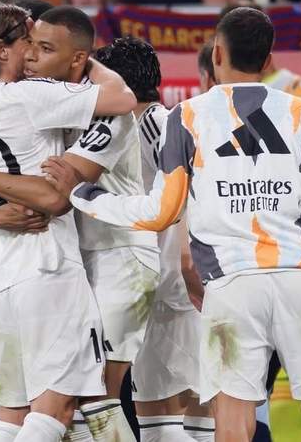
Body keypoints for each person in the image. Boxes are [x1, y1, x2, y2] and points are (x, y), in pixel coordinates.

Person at [43, 7, 301, 442]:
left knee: (233, 423)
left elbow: (161, 212)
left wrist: (87, 196)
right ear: (269, 58)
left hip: (233, 285)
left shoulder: (188, 116)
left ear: (216, 54)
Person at [0, 11, 161, 441]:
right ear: (3, 50)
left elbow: (46, 194)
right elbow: (38, 195)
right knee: (62, 407)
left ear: (78, 59)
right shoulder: (37, 98)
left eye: (45, 48)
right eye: (30, 44)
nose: (32, 55)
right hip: (50, 263)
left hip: (110, 259)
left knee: (78, 402)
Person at [91, 36, 215, 442]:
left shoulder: (148, 127)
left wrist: (186, 267)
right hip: (184, 286)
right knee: (195, 414)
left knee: (161, 417)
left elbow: (185, 202)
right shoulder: (172, 122)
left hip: (167, 288)